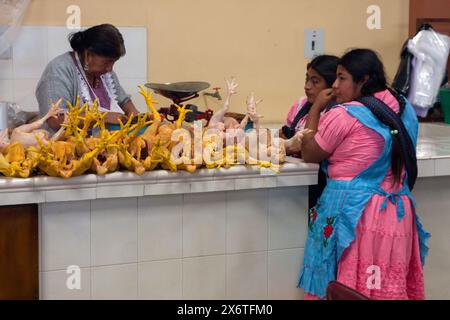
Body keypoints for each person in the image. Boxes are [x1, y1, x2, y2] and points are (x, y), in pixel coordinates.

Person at [298, 48, 430, 300]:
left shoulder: (344, 114)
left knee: (348, 288)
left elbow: (311, 153)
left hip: (355, 216)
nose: (335, 86)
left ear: (364, 80)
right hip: (396, 217)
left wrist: (315, 110)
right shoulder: (404, 109)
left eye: (342, 78)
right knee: (384, 288)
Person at [35, 24, 139, 132]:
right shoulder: (58, 69)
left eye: (113, 62)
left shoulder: (105, 73)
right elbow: (55, 120)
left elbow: (124, 101)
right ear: (88, 55)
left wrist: (134, 116)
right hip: (65, 146)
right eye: (107, 62)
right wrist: (102, 117)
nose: (110, 69)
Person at [281, 55, 339, 209]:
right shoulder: (300, 105)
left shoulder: (336, 114)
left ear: (332, 85)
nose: (307, 86)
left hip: (322, 185)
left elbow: (311, 151)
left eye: (315, 81)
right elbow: (283, 134)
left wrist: (317, 107)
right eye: (307, 79)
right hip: (294, 183)